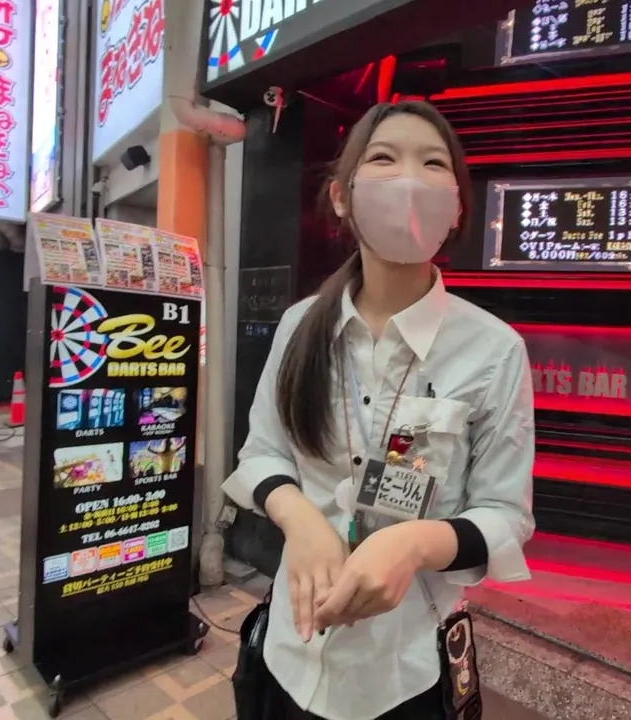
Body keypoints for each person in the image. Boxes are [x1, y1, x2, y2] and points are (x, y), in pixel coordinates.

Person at [222, 100, 536, 720]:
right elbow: (262, 453)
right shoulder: (299, 326)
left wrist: (415, 544)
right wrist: (299, 519)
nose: (409, 181)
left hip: (403, 674)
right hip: (288, 651)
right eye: (384, 159)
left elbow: (505, 515)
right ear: (342, 196)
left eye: (433, 165)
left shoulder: (495, 350)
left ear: (457, 206)